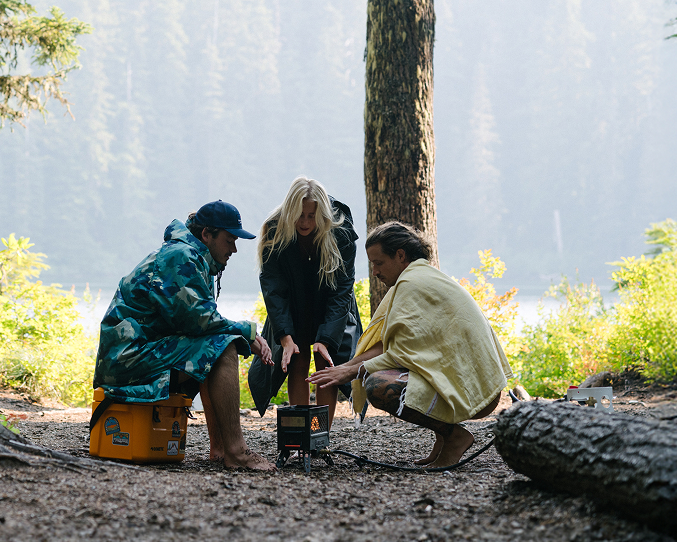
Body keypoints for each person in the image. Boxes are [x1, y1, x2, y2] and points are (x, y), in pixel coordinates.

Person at [307, 221, 513, 468]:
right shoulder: (418, 276)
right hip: (477, 384)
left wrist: (352, 371)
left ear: (400, 255)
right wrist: (347, 366)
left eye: (379, 263)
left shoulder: (411, 283)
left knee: (378, 385)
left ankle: (454, 436)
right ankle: (444, 437)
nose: (375, 272)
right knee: (375, 373)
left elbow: (401, 354)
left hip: (477, 389)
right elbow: (388, 345)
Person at [93, 200, 275, 471]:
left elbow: (198, 324)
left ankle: (220, 450)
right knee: (223, 347)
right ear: (206, 235)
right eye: (229, 240)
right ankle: (236, 452)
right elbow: (198, 320)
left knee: (213, 346)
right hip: (126, 358)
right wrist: (248, 332)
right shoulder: (181, 256)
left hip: (138, 351)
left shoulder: (194, 257)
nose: (234, 248)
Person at [247, 177, 362, 426]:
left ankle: (320, 434)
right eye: (300, 215)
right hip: (292, 304)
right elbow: (273, 288)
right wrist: (285, 337)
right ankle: (301, 433)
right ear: (290, 211)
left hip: (332, 304)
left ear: (322, 213)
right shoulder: (274, 230)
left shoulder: (340, 231)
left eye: (312, 215)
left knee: (326, 361)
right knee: (296, 359)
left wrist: (326, 338)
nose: (305, 222)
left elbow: (342, 291)